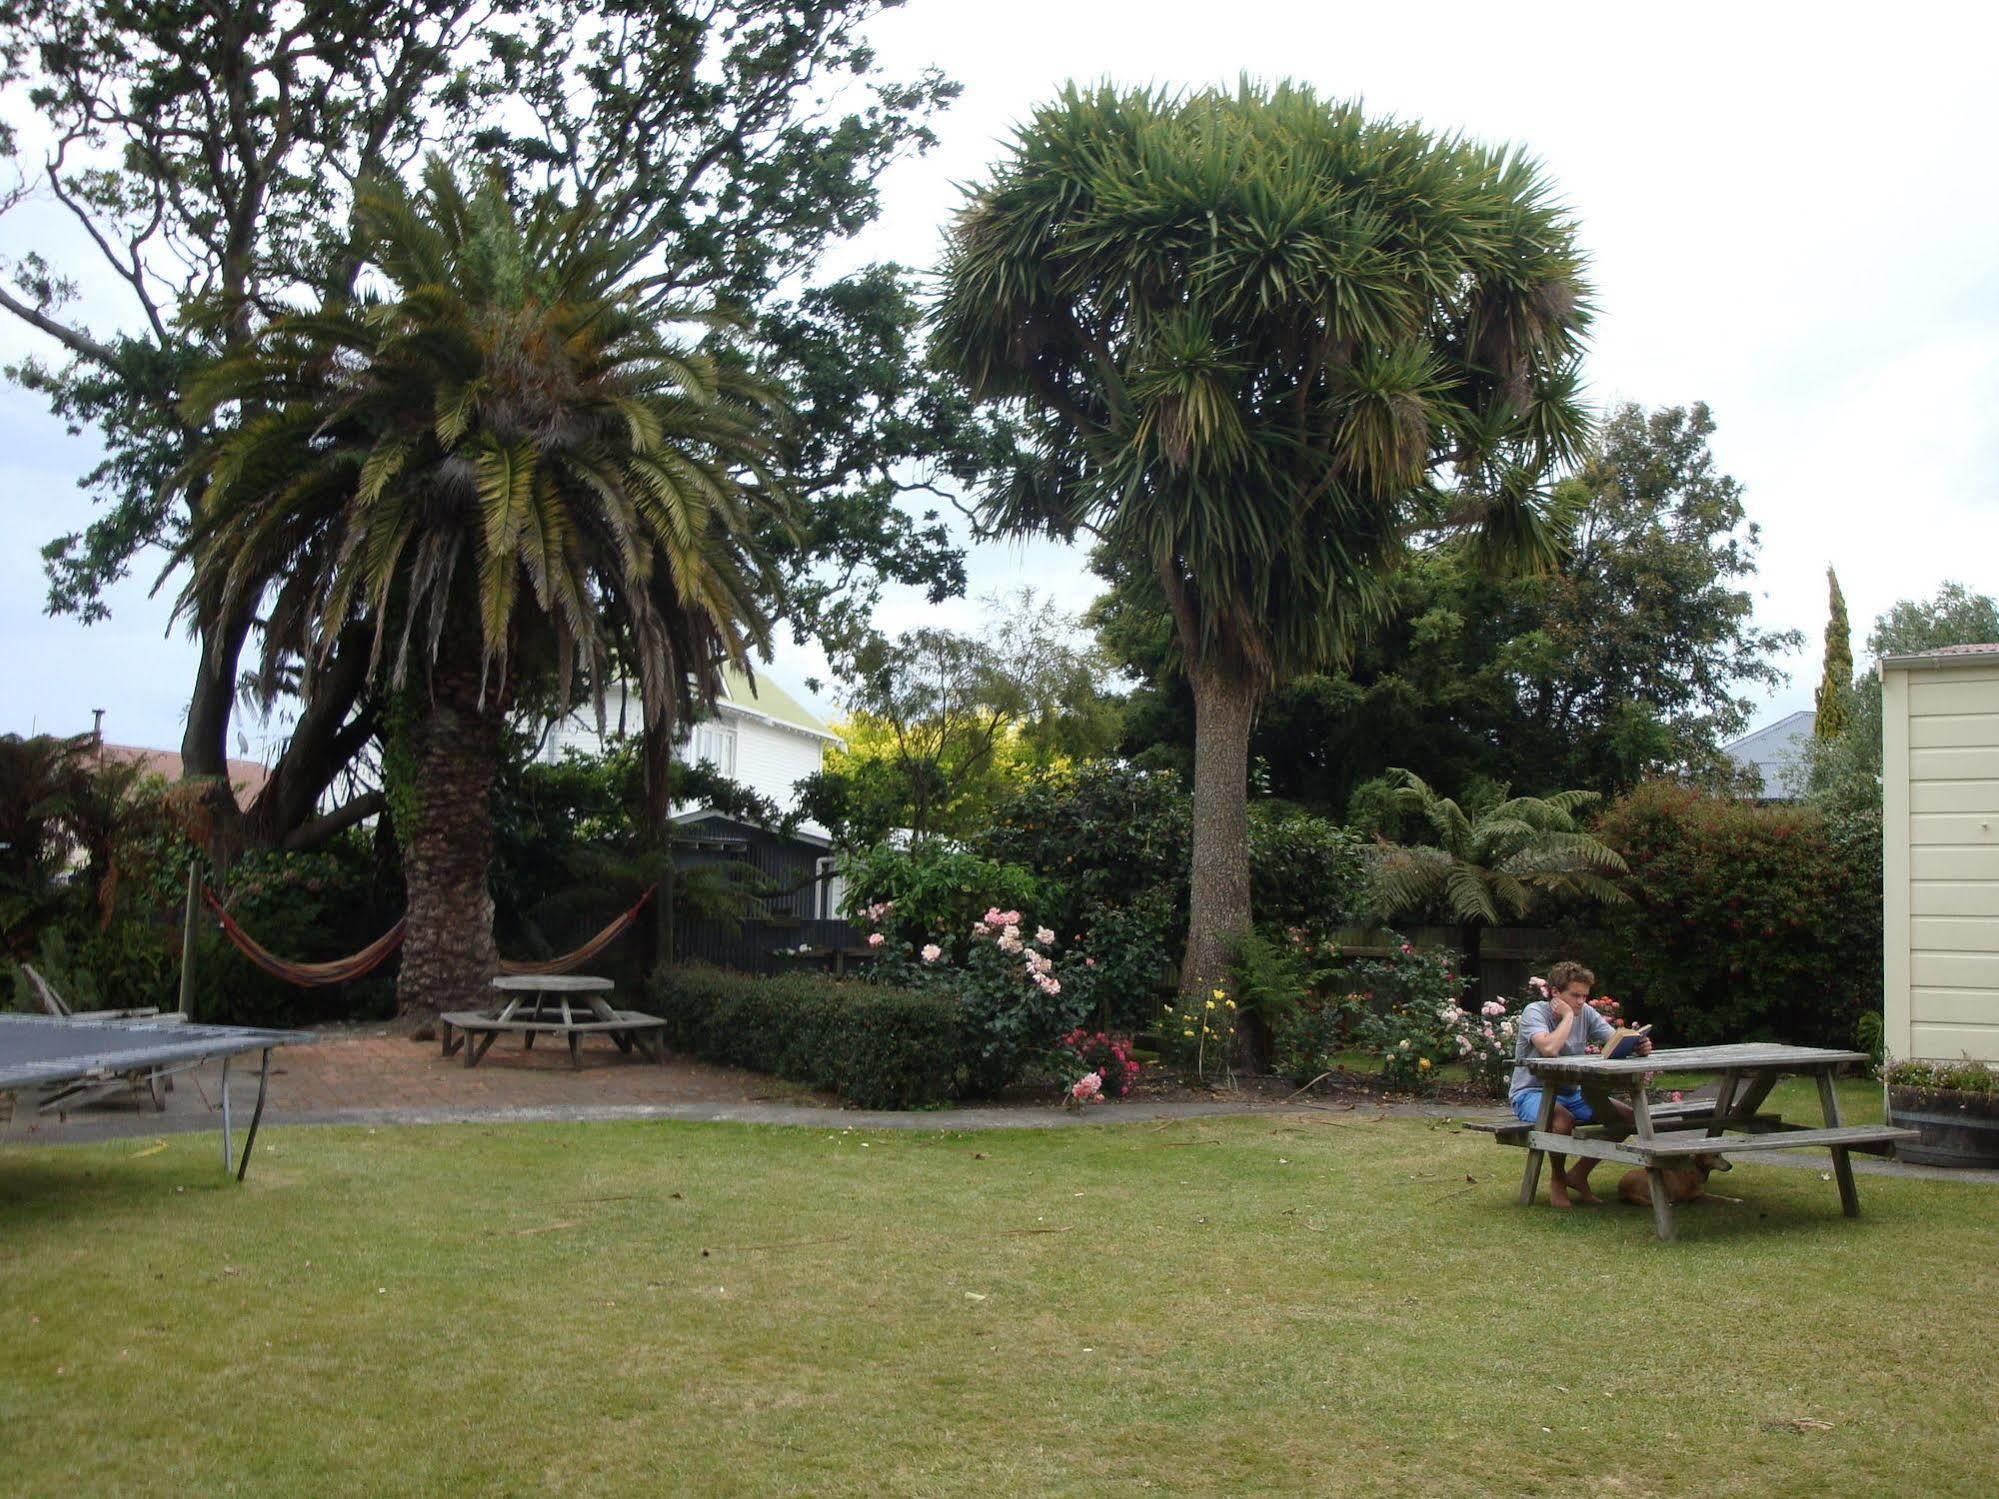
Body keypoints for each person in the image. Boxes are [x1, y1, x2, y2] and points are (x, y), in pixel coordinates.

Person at [1508, 961, 1651, 1207]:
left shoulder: (1585, 1011)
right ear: (1555, 993)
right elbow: (1549, 1049)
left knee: (1629, 1118)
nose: (1581, 1002)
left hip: (1572, 1093)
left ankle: (1579, 1174)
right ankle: (1557, 1180)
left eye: (1585, 996)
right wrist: (1566, 1017)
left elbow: (1613, 1041)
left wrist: (1637, 1046)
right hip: (1531, 1092)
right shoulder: (1535, 1012)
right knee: (1562, 1120)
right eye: (1575, 996)